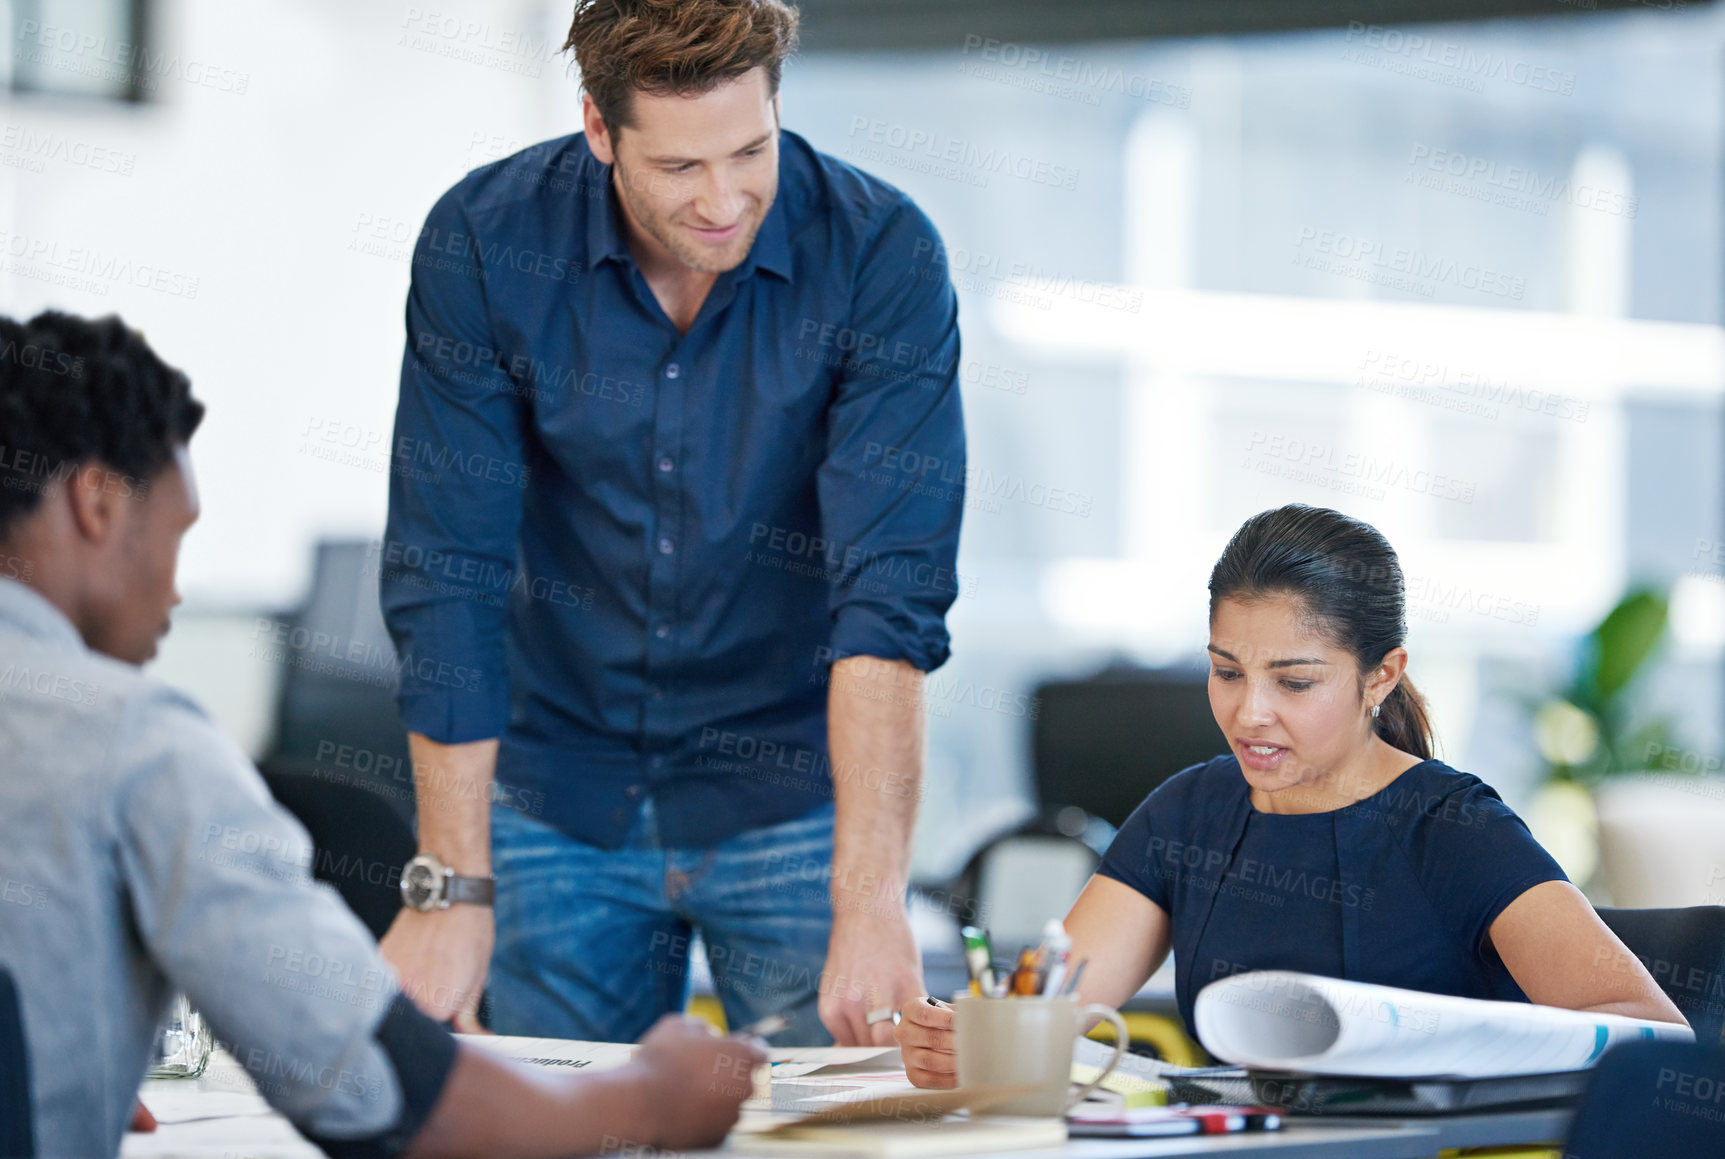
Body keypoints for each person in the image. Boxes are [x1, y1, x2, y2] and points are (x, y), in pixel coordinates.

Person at [0, 310, 763, 1158]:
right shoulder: (131, 741)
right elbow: (395, 1100)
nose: (175, 594)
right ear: (98, 501)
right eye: (178, 538)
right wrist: (655, 1095)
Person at [378, 0, 964, 1048]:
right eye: (680, 168)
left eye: (751, 150)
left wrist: (875, 896)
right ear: (600, 132)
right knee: (567, 1128)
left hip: (794, 795)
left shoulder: (881, 256)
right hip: (556, 792)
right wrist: (447, 886)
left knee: (840, 1129)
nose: (725, 199)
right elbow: (447, 572)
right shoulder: (485, 242)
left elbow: (891, 595)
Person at [896, 504, 1687, 1087]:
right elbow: (1051, 1008)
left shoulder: (1452, 827)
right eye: (1226, 670)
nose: (1248, 713)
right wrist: (984, 1040)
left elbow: (1653, 1032)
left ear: (1381, 674)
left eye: (1294, 680)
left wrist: (1456, 1041)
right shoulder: (1189, 812)